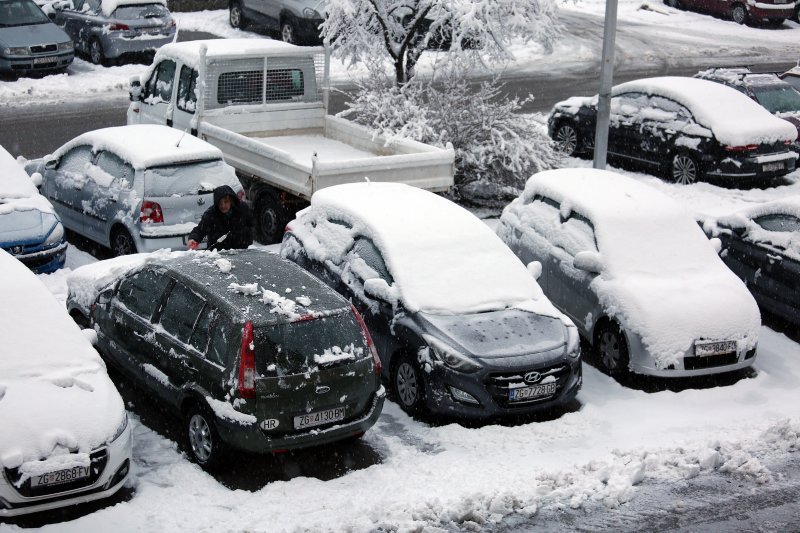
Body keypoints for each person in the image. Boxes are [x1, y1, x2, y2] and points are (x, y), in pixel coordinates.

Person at [187, 185, 254, 251]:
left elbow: (251, 224)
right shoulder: (211, 214)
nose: (223, 206)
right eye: (220, 203)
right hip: (218, 254)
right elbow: (200, 230)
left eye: (226, 202)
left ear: (231, 201)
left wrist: (244, 235)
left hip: (241, 251)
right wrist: (194, 238)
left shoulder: (242, 209)